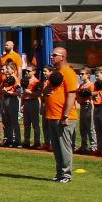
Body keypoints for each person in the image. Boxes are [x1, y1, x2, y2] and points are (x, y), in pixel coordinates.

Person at [42, 48, 79, 182]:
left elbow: (71, 95)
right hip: (52, 115)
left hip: (63, 117)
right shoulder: (56, 73)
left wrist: (65, 115)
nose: (52, 57)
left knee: (64, 147)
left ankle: (66, 175)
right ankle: (59, 173)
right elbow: (47, 90)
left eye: (55, 55)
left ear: (62, 57)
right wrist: (46, 91)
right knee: (56, 148)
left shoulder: (68, 73)